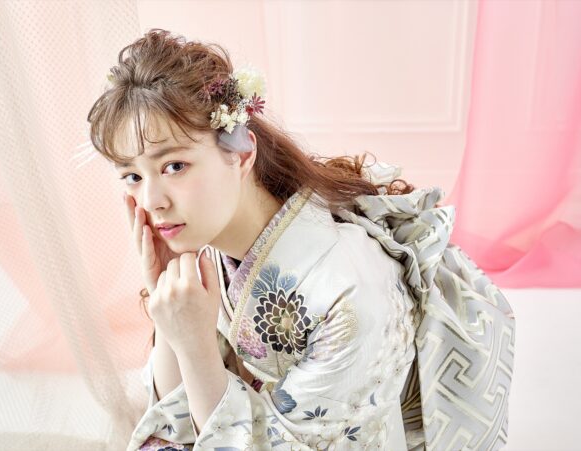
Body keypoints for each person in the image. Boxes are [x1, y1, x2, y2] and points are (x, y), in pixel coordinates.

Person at [87, 29, 515, 451]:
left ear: (241, 154)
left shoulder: (349, 291)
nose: (152, 201)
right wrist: (168, 309)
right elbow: (174, 425)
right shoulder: (213, 251)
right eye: (132, 176)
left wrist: (196, 347)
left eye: (175, 166)